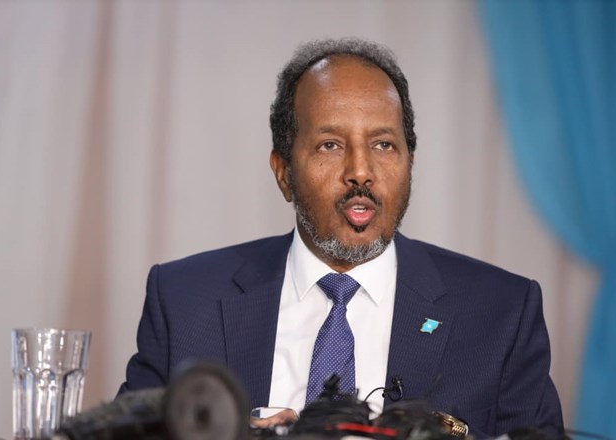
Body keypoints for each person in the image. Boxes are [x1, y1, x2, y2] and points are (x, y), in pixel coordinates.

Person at [118, 38, 563, 438]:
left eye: (383, 145)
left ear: (409, 163)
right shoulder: (184, 301)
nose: (361, 171)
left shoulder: (500, 313)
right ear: (283, 172)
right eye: (330, 144)